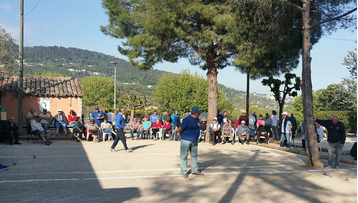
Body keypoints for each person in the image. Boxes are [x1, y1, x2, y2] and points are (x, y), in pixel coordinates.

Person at [178, 106, 204, 178]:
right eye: (198, 113)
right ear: (195, 113)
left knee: (194, 156)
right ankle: (184, 172)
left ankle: (194, 170)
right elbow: (180, 128)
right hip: (186, 140)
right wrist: (179, 133)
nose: (199, 114)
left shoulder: (197, 119)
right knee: (184, 156)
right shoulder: (187, 119)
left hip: (194, 141)